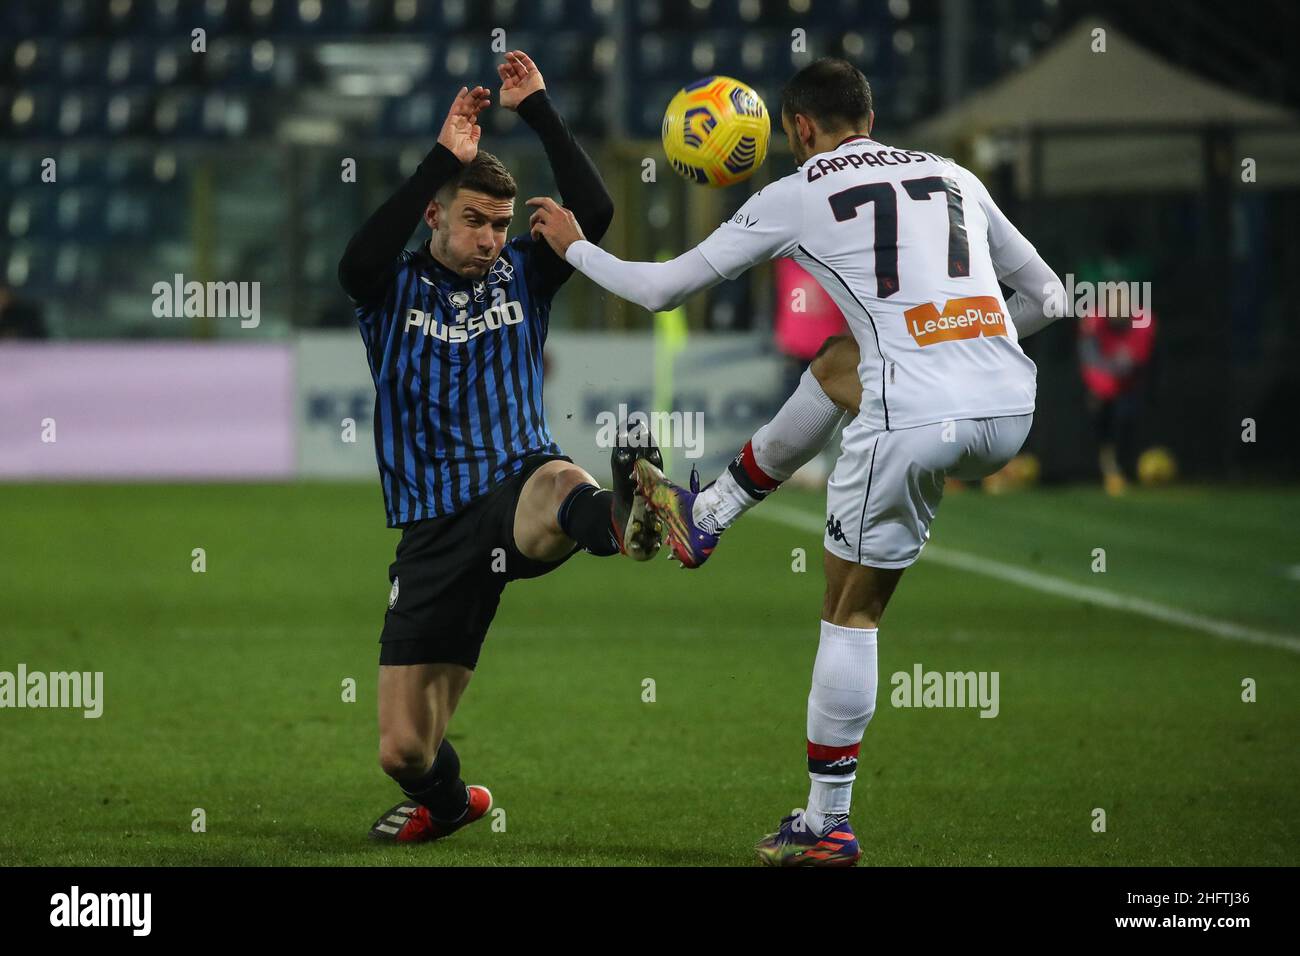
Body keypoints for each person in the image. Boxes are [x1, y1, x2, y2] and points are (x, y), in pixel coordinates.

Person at [529, 58, 1063, 866]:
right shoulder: (951, 174)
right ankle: (704, 516)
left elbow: (661, 290)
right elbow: (1051, 297)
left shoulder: (799, 192)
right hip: (1009, 409)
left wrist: (574, 250)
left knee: (850, 611)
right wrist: (960, 348)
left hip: (913, 419)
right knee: (838, 362)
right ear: (870, 117)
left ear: (799, 129)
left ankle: (827, 823)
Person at [337, 51, 663, 845]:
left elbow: (593, 209)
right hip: (435, 528)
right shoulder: (391, 290)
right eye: (475, 220)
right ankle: (448, 803)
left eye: (500, 224)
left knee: (560, 486)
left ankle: (625, 518)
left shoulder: (523, 275)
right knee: (403, 748)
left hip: (520, 480)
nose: (490, 239)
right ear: (436, 216)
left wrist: (541, 110)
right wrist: (439, 161)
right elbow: (356, 261)